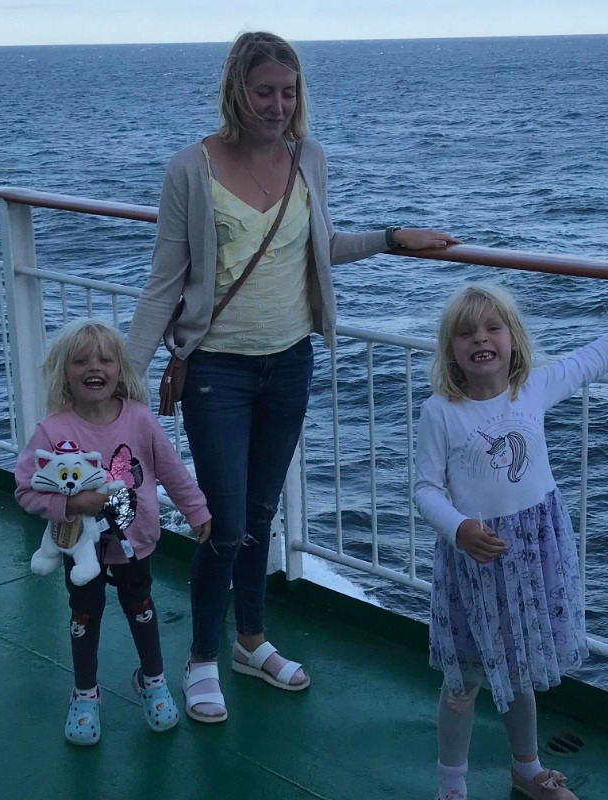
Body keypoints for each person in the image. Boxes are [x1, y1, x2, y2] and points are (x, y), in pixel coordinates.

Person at [124, 30, 460, 724]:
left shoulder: (309, 157)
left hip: (290, 361)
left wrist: (392, 238)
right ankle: (202, 658)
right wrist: (125, 382)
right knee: (221, 521)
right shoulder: (191, 168)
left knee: (258, 516)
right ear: (236, 92)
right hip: (216, 369)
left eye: (288, 92)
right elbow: (165, 282)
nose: (278, 106)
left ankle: (250, 641)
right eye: (264, 92)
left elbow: (319, 246)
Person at [415, 270, 608, 800]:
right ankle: (452, 785)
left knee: (518, 669)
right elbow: (426, 489)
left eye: (493, 328)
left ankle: (527, 769)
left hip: (531, 553)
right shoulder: (440, 412)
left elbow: (592, 359)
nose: (481, 339)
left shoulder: (532, 387)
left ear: (514, 340)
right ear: (451, 351)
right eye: (466, 333)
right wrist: (459, 528)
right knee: (463, 683)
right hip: (473, 563)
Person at [15, 320, 211, 745]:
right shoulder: (52, 431)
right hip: (81, 549)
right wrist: (70, 505)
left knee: (141, 608)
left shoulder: (139, 419)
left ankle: (152, 680)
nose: (94, 367)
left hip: (135, 542)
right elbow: (26, 490)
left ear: (120, 369)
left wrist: (197, 511)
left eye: (105, 359)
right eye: (81, 361)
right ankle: (85, 692)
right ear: (64, 372)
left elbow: (173, 472)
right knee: (84, 615)